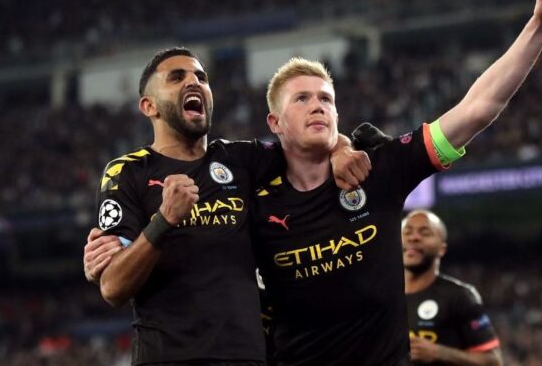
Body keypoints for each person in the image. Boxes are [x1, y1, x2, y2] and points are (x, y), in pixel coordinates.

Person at [249, 0, 542, 366]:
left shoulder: (380, 170)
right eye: (302, 99)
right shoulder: (252, 193)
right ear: (275, 121)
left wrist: (539, 26)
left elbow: (477, 109)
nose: (318, 106)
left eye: (326, 98)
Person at [87, 47, 371, 366]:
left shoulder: (240, 159)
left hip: (245, 358)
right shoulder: (127, 172)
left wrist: (342, 150)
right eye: (177, 77)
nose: (193, 82)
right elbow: (113, 287)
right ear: (148, 105)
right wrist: (163, 221)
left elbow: (312, 144)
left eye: (201, 77)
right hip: (168, 359)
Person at [402, 210, 502, 366]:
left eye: (425, 233)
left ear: (442, 248)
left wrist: (440, 353)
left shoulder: (460, 296)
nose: (413, 237)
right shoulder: (381, 296)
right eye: (407, 232)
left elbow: (494, 362)